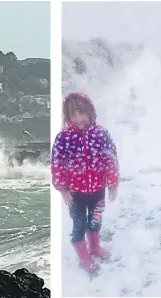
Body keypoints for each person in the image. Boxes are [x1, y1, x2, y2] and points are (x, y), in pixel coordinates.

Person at [51, 92, 120, 273]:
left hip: (97, 190)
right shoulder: (63, 138)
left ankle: (95, 247)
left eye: (81, 112)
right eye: (73, 115)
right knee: (79, 224)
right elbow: (57, 164)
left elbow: (110, 159)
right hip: (76, 194)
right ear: (68, 117)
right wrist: (62, 189)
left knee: (96, 220)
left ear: (90, 112)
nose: (78, 118)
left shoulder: (101, 134)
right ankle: (83, 256)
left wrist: (112, 184)